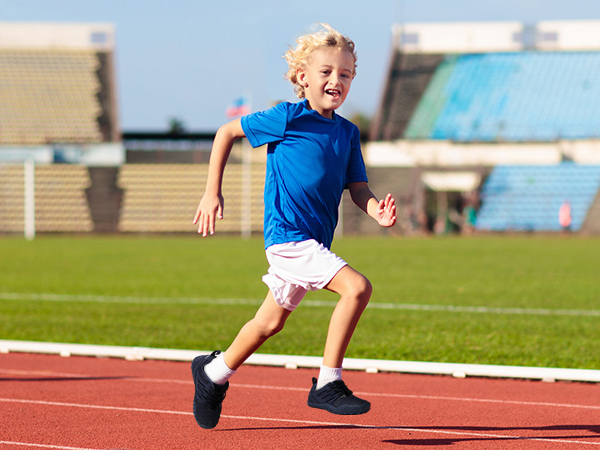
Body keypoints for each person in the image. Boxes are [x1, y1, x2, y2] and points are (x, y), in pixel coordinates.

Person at [191, 23, 397, 430]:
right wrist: (212, 192)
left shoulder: (348, 133)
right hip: (288, 238)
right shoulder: (286, 118)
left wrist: (375, 210)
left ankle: (213, 374)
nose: (336, 80)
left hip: (312, 242)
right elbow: (227, 132)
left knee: (269, 323)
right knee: (357, 288)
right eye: (326, 72)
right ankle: (327, 382)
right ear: (303, 77)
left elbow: (358, 188)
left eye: (345, 74)